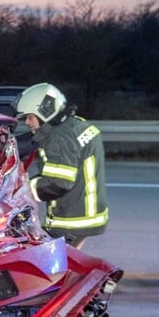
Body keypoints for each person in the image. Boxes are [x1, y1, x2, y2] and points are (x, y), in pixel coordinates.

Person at [15, 83, 108, 248]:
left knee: (44, 260)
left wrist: (22, 189)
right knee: (68, 262)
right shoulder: (77, 124)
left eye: (30, 117)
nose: (27, 122)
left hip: (71, 220)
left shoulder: (58, 138)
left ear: (45, 112)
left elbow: (57, 182)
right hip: (87, 213)